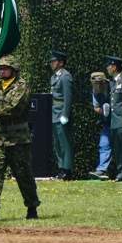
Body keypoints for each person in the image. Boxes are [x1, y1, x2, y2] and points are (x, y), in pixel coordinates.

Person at [0, 55, 41, 221]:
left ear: (14, 69)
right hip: (0, 137)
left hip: (18, 138)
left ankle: (32, 206)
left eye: (5, 68)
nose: (1, 71)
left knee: (23, 174)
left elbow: (14, 109)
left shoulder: (22, 86)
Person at [48, 50, 73, 180]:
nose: (51, 63)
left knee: (64, 143)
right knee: (57, 143)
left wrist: (65, 114)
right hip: (54, 112)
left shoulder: (65, 76)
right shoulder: (55, 77)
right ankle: (60, 168)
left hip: (61, 113)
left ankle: (66, 169)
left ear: (61, 62)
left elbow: (67, 98)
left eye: (54, 61)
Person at [106, 56, 122, 182]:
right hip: (114, 120)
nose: (107, 68)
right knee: (118, 148)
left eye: (109, 65)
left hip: (121, 119)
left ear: (114, 67)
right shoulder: (113, 82)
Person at [89, 72, 113, 180]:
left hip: (118, 121)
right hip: (107, 122)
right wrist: (104, 111)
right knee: (104, 144)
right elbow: (96, 107)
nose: (95, 86)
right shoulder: (95, 91)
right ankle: (102, 170)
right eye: (94, 84)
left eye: (97, 84)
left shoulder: (113, 87)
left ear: (103, 82)